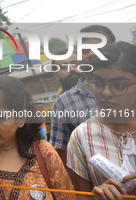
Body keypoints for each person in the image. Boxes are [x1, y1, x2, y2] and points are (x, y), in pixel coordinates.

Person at [67, 41, 136, 199]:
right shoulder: (82, 137)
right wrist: (97, 196)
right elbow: (81, 197)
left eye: (119, 85)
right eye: (97, 83)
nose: (106, 93)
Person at [49, 24, 115, 169]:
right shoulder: (64, 103)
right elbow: (64, 159)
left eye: (100, 49)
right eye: (84, 51)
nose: (91, 54)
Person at [45, 50, 81, 141]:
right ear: (56, 75)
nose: (72, 69)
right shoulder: (54, 110)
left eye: (75, 63)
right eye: (64, 67)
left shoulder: (101, 94)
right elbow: (56, 150)